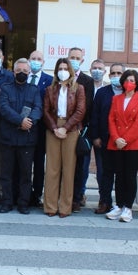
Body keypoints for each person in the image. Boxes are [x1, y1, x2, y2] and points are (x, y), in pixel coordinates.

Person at [0, 57, 42, 214]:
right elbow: (3, 108)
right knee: (6, 173)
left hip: (27, 139)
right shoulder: (6, 88)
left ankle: (23, 203)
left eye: (24, 71)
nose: (21, 73)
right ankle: (7, 202)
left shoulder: (34, 90)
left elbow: (38, 108)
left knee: (25, 174)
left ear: (29, 72)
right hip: (8, 138)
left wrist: (29, 121)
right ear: (13, 72)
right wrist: (20, 121)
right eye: (18, 71)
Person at [42, 58, 85, 218]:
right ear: (55, 71)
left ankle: (65, 207)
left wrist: (65, 128)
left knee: (68, 169)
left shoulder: (78, 88)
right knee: (52, 169)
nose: (63, 71)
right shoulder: (49, 89)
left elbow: (80, 111)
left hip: (71, 129)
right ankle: (50, 207)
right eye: (60, 68)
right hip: (53, 128)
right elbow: (45, 110)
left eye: (65, 68)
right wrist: (54, 128)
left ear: (71, 71)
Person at [105, 70, 138, 223]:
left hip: (134, 144)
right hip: (116, 143)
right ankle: (118, 204)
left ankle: (128, 208)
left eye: (132, 80)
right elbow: (111, 119)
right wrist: (116, 138)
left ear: (136, 83)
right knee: (119, 175)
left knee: (130, 176)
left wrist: (125, 139)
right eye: (127, 80)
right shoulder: (116, 98)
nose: (129, 83)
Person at [91, 63, 125, 214]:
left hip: (123, 142)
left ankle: (121, 203)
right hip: (104, 139)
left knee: (121, 173)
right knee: (104, 172)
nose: (116, 76)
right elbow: (95, 115)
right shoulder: (102, 92)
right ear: (109, 75)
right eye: (113, 73)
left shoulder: (128, 93)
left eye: (119, 73)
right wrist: (96, 136)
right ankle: (104, 201)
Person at [68, 47, 94, 212]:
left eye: (77, 58)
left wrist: (78, 126)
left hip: (79, 129)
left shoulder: (87, 80)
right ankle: (63, 196)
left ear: (82, 60)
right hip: (62, 129)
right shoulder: (60, 77)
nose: (74, 60)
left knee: (80, 167)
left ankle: (76, 198)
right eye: (72, 57)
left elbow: (87, 106)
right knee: (64, 166)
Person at [27, 50, 52, 207]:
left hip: (41, 128)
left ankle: (36, 194)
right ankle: (23, 192)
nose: (36, 61)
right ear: (29, 61)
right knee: (24, 162)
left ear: (43, 62)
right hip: (22, 127)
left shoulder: (49, 80)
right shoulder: (22, 78)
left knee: (38, 163)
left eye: (39, 59)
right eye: (33, 59)